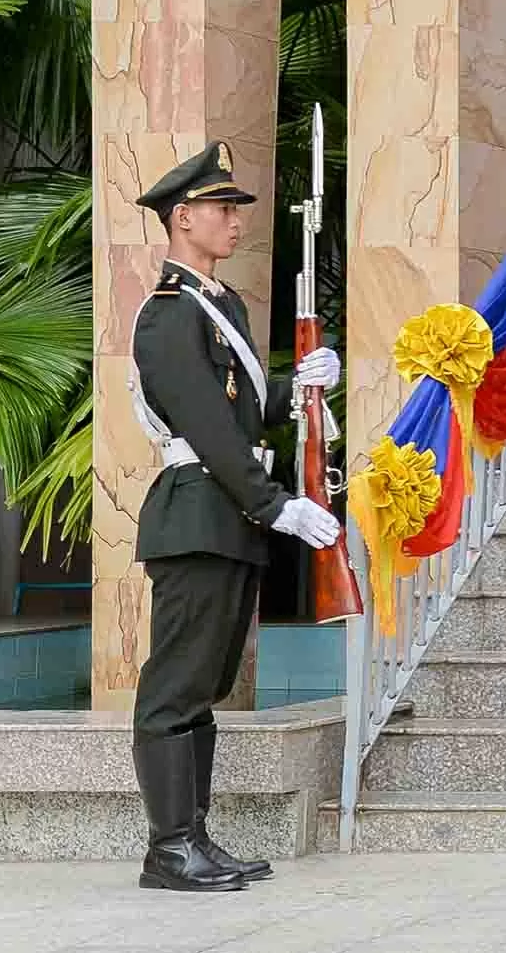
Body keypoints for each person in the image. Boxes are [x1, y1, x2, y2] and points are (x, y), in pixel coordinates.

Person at [126, 143, 342, 893]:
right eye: (222, 208)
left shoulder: (224, 307)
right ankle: (168, 848)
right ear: (182, 217)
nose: (235, 221)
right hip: (196, 513)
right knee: (175, 687)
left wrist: (298, 385)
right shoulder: (166, 316)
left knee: (205, 685)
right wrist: (275, 504)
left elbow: (243, 409)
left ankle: (195, 838)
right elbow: (209, 429)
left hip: (227, 519)